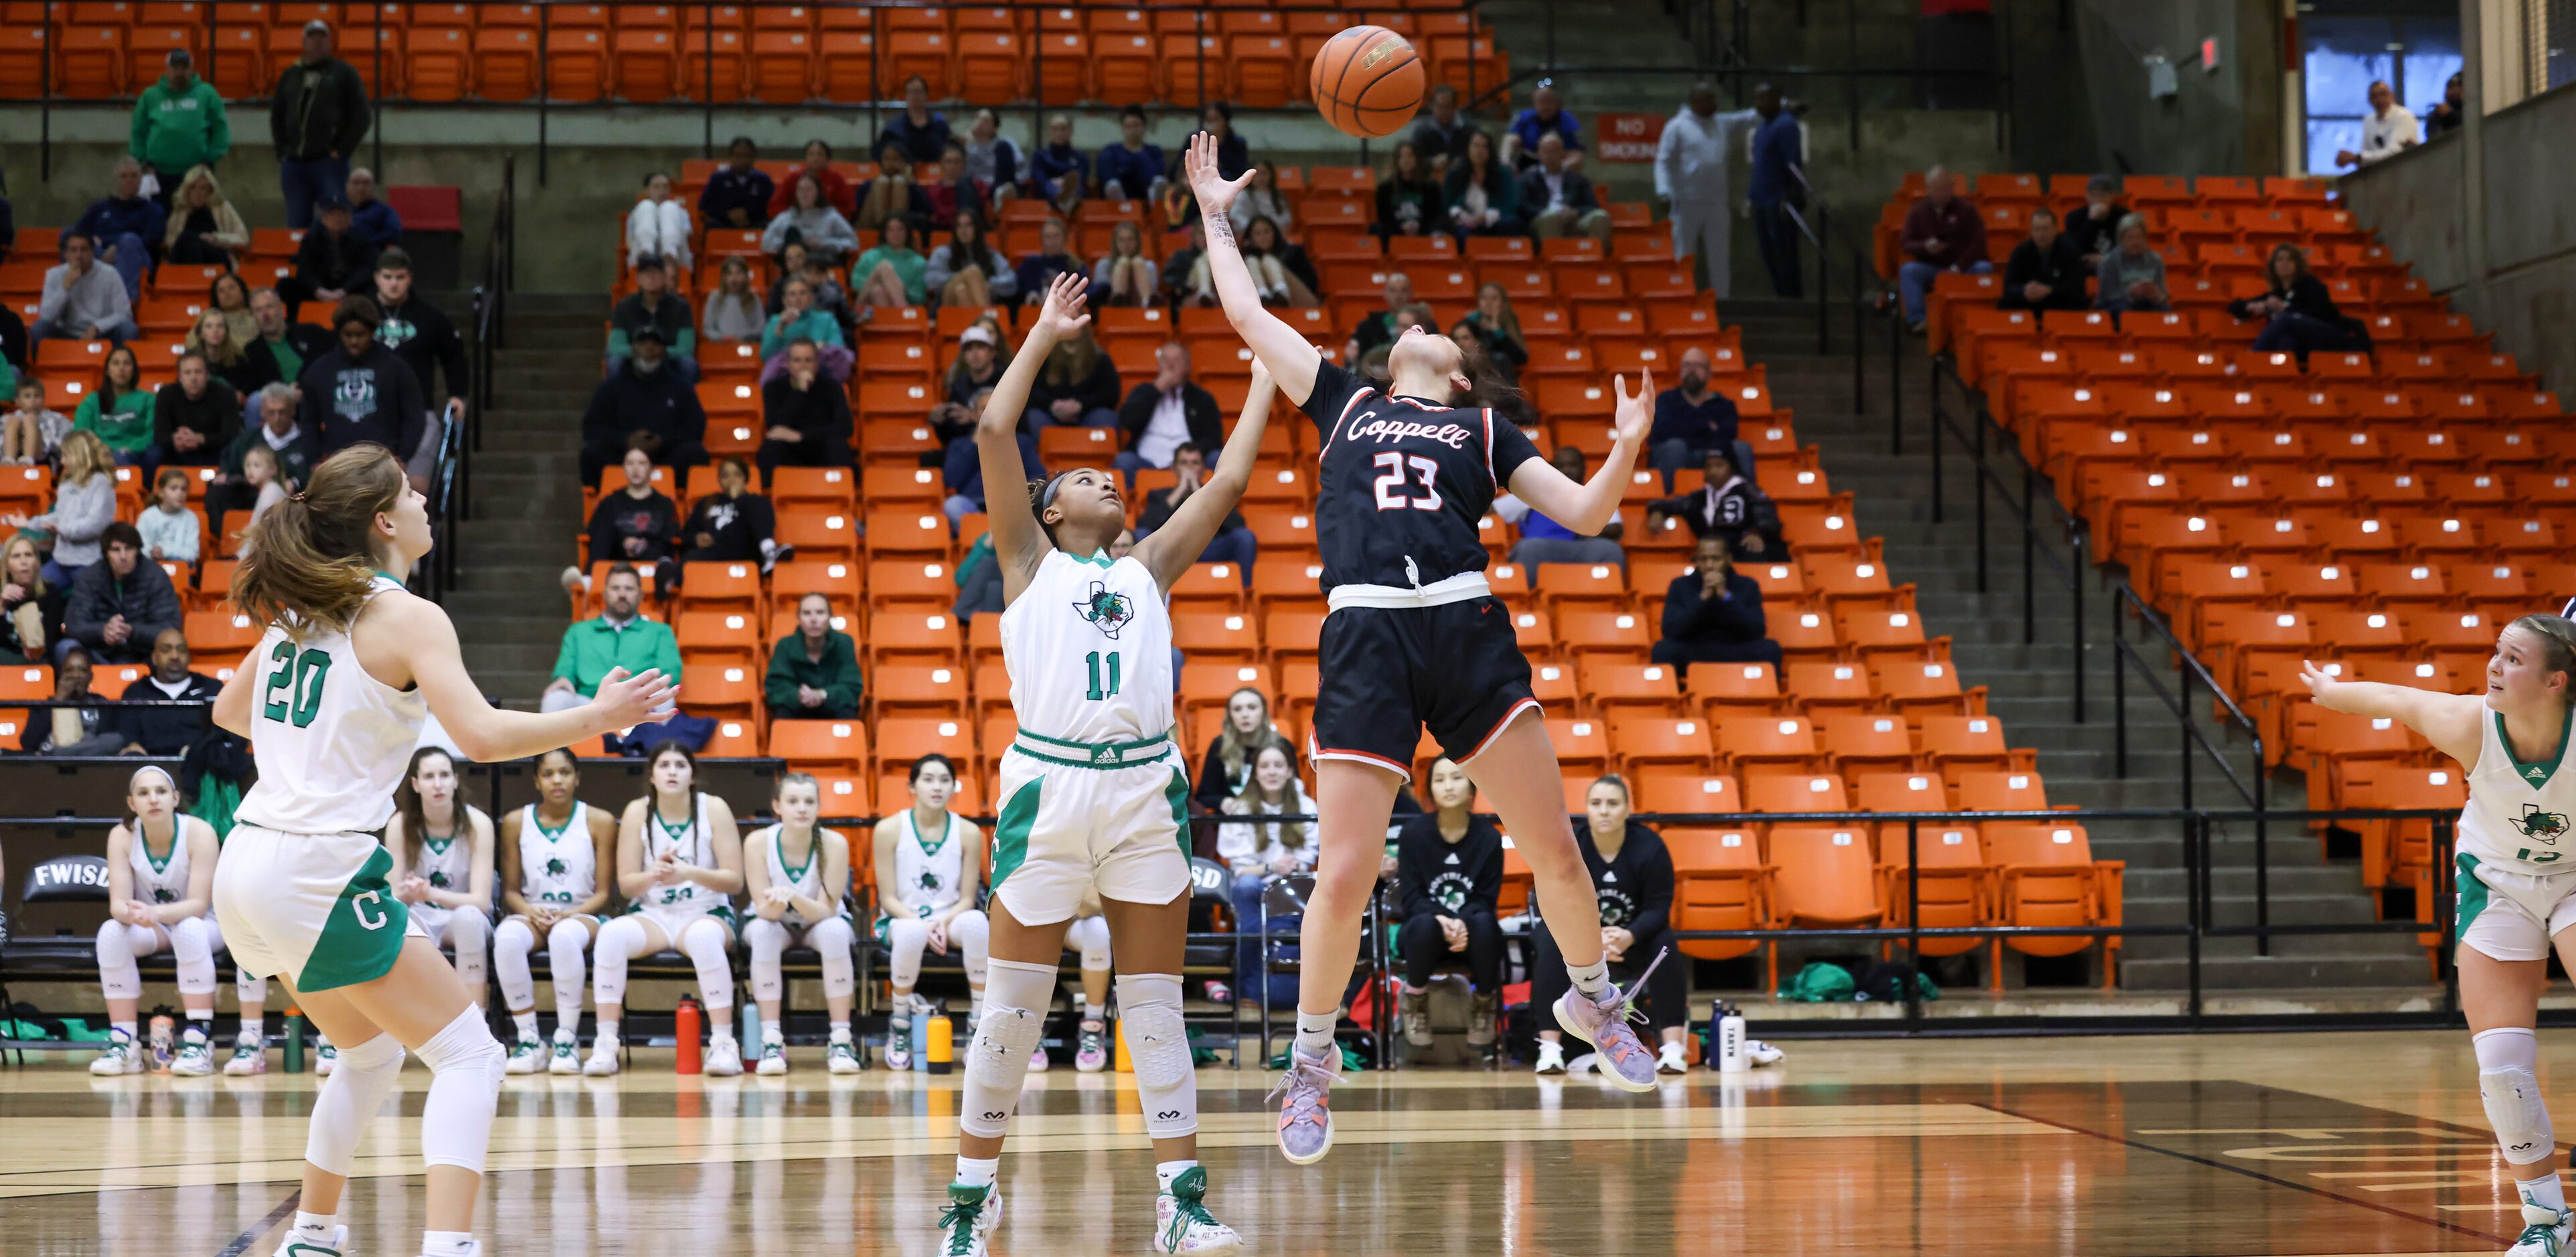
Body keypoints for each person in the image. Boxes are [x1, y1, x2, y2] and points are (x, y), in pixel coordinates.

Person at [1188, 133, 1670, 1159]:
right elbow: (1242, 311)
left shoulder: (1489, 430)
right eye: (1414, 326)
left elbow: (1584, 513)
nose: (1425, 327)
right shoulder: (1342, 400)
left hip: (1463, 621)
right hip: (1364, 626)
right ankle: (1311, 1066)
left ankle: (1594, 1004)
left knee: (1555, 850)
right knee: (1348, 870)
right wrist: (1214, 211)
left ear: (1457, 376)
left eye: (1445, 333)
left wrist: (1626, 447)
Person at [209, 442, 671, 1257]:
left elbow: (229, 713)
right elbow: (483, 737)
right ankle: (448, 1249)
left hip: (247, 862)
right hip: (316, 864)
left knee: (370, 1050)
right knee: (470, 1054)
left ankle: (313, 1236)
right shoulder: (408, 616)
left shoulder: (304, 607)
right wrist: (597, 720)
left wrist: (322, 741)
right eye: (412, 492)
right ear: (385, 520)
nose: (425, 500)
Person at [934, 272, 1261, 1255]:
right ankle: (971, 1192)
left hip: (1144, 788)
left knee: (1156, 1011)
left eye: (1110, 476)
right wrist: (1038, 333)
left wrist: (1259, 385)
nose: (1105, 479)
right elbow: (996, 432)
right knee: (1009, 1018)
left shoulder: (1149, 562)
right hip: (1050, 784)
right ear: (1049, 506)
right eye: (1081, 478)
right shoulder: (1028, 562)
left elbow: (1232, 484)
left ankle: (1180, 1203)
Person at [2298, 616, 2576, 1256]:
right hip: (2496, 884)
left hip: (2574, 880)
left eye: (2512, 659)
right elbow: (2399, 700)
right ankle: (2549, 1223)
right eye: (2495, 654)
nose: (2494, 667)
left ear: (2555, 681)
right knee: (2503, 1069)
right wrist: (2333, 692)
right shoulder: (2470, 724)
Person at [88, 766, 271, 1077]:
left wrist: (154, 913)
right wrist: (131, 914)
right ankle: (125, 1042)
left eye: (160, 792)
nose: (153, 799)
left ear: (175, 798)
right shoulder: (121, 835)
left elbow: (198, 906)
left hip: (208, 925)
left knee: (188, 930)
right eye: (143, 794)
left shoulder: (199, 831)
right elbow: (117, 905)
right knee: (110, 933)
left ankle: (199, 1041)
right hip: (154, 926)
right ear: (132, 804)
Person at [582, 742, 747, 1076]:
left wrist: (688, 873)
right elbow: (627, 885)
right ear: (652, 776)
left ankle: (723, 1044)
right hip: (654, 915)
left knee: (703, 938)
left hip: (705, 911)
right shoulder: (636, 811)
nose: (672, 771)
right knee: (612, 934)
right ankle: (605, 1044)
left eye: (680, 765)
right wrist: (654, 875)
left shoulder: (713, 808)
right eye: (665, 765)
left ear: (693, 776)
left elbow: (735, 881)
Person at [1529, 776, 1688, 1076]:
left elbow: (1659, 907)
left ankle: (1673, 1049)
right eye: (1596, 804)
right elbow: (1550, 899)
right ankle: (1550, 1050)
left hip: (1633, 941)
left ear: (1628, 809)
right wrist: (1592, 940)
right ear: (1587, 809)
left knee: (1665, 942)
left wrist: (1630, 935)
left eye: (1613, 804)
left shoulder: (1651, 847)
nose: (1604, 811)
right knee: (1547, 940)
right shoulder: (1573, 846)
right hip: (1582, 945)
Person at [493, 747, 617, 1073]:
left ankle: (567, 1038)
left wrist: (568, 915)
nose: (557, 780)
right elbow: (510, 891)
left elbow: (604, 892)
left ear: (577, 778)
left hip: (581, 914)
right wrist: (531, 911)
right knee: (505, 938)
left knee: (563, 937)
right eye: (548, 774)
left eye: (564, 772)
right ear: (536, 781)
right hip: (533, 912)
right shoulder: (517, 821)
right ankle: (530, 1039)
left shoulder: (600, 821)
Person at [872, 752, 989, 1072]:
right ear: (912, 786)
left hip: (951, 918)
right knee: (910, 933)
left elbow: (968, 898)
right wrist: (922, 925)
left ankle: (979, 1025)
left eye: (944, 780)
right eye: (928, 779)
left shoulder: (967, 832)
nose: (937, 787)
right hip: (902, 917)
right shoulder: (888, 829)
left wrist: (942, 922)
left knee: (978, 922)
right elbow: (888, 897)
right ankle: (899, 1023)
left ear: (954, 787)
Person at [742, 772, 860, 1075]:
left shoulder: (834, 843)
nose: (802, 808)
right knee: (762, 932)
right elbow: (763, 911)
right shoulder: (758, 841)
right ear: (777, 806)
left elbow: (826, 911)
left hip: (819, 924)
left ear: (819, 807)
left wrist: (792, 896)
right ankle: (771, 1041)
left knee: (835, 932)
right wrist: (777, 905)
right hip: (775, 923)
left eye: (809, 801)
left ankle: (841, 1039)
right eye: (793, 801)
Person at [1392, 757, 1504, 1052]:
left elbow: (1486, 898)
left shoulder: (1490, 838)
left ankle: (1483, 1005)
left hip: (1472, 934)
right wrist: (1443, 920)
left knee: (1485, 923)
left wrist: (1462, 923)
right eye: (1440, 780)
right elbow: (1412, 898)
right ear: (1430, 790)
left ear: (1471, 788)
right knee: (1426, 925)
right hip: (1423, 932)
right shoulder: (1413, 834)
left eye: (1456, 778)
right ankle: (1415, 1000)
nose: (1449, 786)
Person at [385, 747, 495, 1013]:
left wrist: (430, 893)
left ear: (456, 780)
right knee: (396, 923)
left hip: (461, 918)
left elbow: (481, 901)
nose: (438, 784)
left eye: (445, 775)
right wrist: (410, 894)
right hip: (421, 916)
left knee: (469, 918)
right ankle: (413, 1021)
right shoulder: (399, 824)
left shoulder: (478, 823)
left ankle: (476, 1019)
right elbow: (390, 899)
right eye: (429, 776)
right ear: (415, 784)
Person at [1218, 743, 1316, 1007]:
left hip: (1292, 888)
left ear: (1288, 772)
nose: (1271, 772)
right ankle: (1249, 991)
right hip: (1255, 888)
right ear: (1255, 773)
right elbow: (1239, 869)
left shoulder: (1306, 805)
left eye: (1278, 765)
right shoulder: (1241, 808)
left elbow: (1309, 858)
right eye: (1265, 766)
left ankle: (1305, 993)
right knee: (1247, 886)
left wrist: (1291, 869)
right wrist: (1273, 868)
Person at [299, 299, 430, 485]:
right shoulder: (320, 370)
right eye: (348, 335)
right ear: (339, 333)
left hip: (383, 462)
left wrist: (404, 456)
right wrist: (313, 460)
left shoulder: (396, 368)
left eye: (360, 335)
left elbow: (415, 416)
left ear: (372, 332)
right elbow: (308, 420)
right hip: (337, 462)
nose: (353, 341)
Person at [1655, 82, 1763, 297]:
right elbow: (1663, 162)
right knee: (1684, 254)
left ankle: (1722, 299)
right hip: (1686, 201)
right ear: (1695, 101)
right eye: (1709, 99)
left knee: (1720, 255)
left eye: (1715, 99)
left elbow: (1749, 117)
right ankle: (1682, 296)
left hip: (1716, 202)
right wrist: (1664, 191)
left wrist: (1785, 105)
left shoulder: (1721, 123)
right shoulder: (1677, 126)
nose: (1715, 103)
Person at [268, 19, 370, 229]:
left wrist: (342, 149)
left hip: (328, 162)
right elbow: (277, 115)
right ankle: (300, 261)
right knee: (296, 223)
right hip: (294, 163)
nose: (317, 42)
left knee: (335, 219)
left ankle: (335, 261)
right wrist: (282, 151)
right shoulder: (291, 75)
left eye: (322, 37)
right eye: (312, 37)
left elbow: (362, 116)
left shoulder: (344, 73)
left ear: (330, 42)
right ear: (304, 42)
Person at [542, 562, 680, 714]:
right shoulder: (578, 631)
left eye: (629, 589)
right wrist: (563, 679)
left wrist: (646, 688)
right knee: (556, 697)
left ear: (640, 595)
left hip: (638, 702)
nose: (622, 594)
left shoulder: (660, 631)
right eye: (615, 588)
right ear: (605, 594)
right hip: (589, 703)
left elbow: (671, 672)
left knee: (664, 696)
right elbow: (565, 670)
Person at [580, 325, 708, 485]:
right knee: (592, 453)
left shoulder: (681, 387)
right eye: (643, 344)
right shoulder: (611, 387)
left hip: (666, 454)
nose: (649, 349)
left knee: (695, 453)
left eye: (655, 344)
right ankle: (601, 504)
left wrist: (662, 441)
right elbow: (592, 427)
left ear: (663, 351)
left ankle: (684, 504)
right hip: (622, 454)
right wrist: (626, 441)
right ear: (633, 350)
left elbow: (696, 427)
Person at [3, 430, 115, 588]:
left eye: (66, 455)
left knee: (85, 603)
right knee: (34, 589)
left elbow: (95, 524)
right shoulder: (67, 484)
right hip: (61, 561)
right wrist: (29, 523)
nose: (62, 461)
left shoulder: (101, 483)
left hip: (90, 562)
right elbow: (58, 516)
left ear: (80, 455)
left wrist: (62, 529)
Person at [1653, 533, 1780, 667]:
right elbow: (1670, 631)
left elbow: (1757, 631)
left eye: (1716, 559)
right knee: (1663, 650)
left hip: (1735, 649)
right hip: (1694, 649)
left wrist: (1726, 596)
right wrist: (1702, 599)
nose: (1709, 565)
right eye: (1703, 559)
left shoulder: (1748, 585)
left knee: (1770, 649)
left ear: (1729, 559)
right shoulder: (1680, 585)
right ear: (1696, 560)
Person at [68, 522, 184, 666]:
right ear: (106, 554)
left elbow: (169, 627)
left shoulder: (155, 576)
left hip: (143, 654)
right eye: (116, 550)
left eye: (129, 549)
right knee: (65, 648)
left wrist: (131, 631)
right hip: (99, 652)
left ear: (137, 551)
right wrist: (103, 631)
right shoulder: (89, 578)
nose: (123, 556)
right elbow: (75, 624)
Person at [2228, 243, 2368, 359]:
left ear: (2298, 264)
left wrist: (2284, 310)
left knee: (2287, 320)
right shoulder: (2276, 294)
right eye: (2280, 260)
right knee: (2286, 341)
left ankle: (2252, 359)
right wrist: (2251, 306)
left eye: (2290, 260)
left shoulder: (2311, 284)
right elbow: (2234, 307)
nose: (2284, 264)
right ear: (2273, 266)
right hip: (2304, 346)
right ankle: (2282, 382)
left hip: (2330, 338)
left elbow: (2320, 313)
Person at [212, 382, 318, 535]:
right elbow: (229, 463)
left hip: (294, 500)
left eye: (282, 412)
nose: (277, 418)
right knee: (217, 492)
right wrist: (225, 474)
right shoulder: (248, 439)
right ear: (262, 412)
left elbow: (316, 474)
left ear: (293, 410)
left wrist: (295, 483)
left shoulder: (308, 441)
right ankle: (222, 540)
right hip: (249, 494)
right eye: (271, 412)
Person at [1895, 165, 1990, 332]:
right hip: (1931, 266)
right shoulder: (1917, 211)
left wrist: (1959, 266)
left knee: (1984, 268)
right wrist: (1925, 247)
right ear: (1929, 189)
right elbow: (1906, 244)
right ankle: (1918, 320)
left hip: (1962, 266)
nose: (1942, 193)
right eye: (1937, 189)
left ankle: (1980, 317)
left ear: (1951, 188)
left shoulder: (1967, 210)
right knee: (1909, 270)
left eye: (1945, 188)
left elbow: (1979, 243)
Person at [1135, 442, 1255, 574]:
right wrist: (1179, 491)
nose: (1189, 468)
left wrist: (1200, 493)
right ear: (1175, 469)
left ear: (1203, 470)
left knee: (1245, 537)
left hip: (1210, 548)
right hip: (1172, 550)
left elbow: (1238, 525)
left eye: (1195, 463)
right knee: (1141, 535)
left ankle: (1245, 592)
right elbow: (1145, 525)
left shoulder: (1218, 494)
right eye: (1184, 463)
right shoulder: (1159, 495)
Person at [130, 50, 231, 203]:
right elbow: (138, 131)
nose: (180, 72)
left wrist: (210, 159)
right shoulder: (150, 96)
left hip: (197, 172)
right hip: (157, 173)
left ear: (192, 70)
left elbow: (220, 129)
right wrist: (143, 162)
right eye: (175, 68)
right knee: (158, 217)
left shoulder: (207, 94)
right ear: (167, 70)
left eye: (184, 68)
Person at [1645, 347, 1751, 487]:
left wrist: (1685, 427)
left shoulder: (1723, 404)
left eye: (1698, 366)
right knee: (1675, 447)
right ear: (1681, 372)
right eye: (1687, 365)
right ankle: (1665, 504)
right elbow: (1662, 431)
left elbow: (1729, 434)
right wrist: (1707, 427)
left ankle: (1749, 501)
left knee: (1741, 448)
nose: (1691, 370)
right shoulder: (1666, 400)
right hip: (1679, 455)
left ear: (1709, 374)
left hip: (1713, 455)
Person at [1502, 448, 1625, 567]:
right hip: (1543, 548)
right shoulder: (1534, 491)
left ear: (1584, 468)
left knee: (1611, 550)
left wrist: (1585, 529)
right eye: (1561, 466)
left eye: (1573, 465)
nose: (1567, 470)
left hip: (1582, 548)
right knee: (1529, 548)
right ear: (1553, 469)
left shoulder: (1598, 493)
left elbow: (1616, 528)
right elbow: (1491, 510)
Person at [1645, 446, 1778, 556]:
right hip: (1711, 555)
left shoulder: (1748, 490)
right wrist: (1657, 511)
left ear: (1731, 468)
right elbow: (1673, 504)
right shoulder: (1700, 496)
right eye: (1708, 467)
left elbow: (1767, 517)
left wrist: (1756, 534)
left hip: (1742, 548)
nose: (1713, 471)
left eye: (1719, 466)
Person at [110, 626, 220, 755]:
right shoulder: (136, 692)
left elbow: (223, 735)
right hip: (149, 766)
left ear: (189, 657)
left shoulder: (211, 688)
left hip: (201, 764)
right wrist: (132, 746)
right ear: (155, 658)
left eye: (181, 650)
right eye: (166, 650)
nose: (175, 656)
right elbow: (127, 735)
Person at [939, 387, 1040, 526]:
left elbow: (1038, 477)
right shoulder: (959, 445)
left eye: (996, 408)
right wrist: (975, 444)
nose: (990, 414)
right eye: (984, 409)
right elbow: (952, 481)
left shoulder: (1023, 442)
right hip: (973, 505)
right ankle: (985, 543)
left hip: (1010, 508)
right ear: (974, 414)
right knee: (952, 505)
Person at [72, 158, 167, 303]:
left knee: (129, 241)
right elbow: (76, 233)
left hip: (134, 256)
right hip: (99, 255)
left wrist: (117, 248)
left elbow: (154, 238)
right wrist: (92, 243)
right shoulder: (100, 208)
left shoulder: (153, 210)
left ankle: (123, 305)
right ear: (116, 180)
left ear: (141, 179)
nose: (129, 180)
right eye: (124, 176)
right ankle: (73, 300)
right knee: (69, 237)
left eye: (134, 176)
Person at [1116, 343, 1219, 473]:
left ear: (1188, 366)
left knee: (1218, 458)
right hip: (1146, 463)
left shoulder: (1202, 398)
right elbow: (1127, 421)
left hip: (1189, 465)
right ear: (1159, 365)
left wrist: (1193, 452)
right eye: (1166, 360)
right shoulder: (1143, 391)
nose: (1171, 366)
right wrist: (1155, 390)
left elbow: (1214, 438)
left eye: (1177, 360)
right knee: (1124, 460)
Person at [756, 338, 854, 475]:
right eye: (797, 360)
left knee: (838, 446)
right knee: (771, 447)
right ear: (788, 364)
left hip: (821, 447)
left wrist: (801, 436)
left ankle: (841, 491)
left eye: (808, 360)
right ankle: (769, 493)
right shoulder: (773, 388)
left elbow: (845, 427)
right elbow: (774, 425)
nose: (803, 366)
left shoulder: (832, 387)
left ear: (817, 363)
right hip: (790, 450)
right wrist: (800, 392)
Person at [1746, 84, 1804, 299]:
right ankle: (1782, 295)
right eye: (1757, 99)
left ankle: (1792, 299)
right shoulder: (1763, 128)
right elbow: (1760, 165)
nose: (1760, 104)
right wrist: (1751, 196)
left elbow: (1793, 163)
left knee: (1785, 255)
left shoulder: (1786, 125)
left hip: (1779, 200)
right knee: (1769, 254)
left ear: (1777, 99)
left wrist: (1789, 195)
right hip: (1761, 199)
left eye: (1765, 98)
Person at [677, 454, 785, 572]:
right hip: (713, 553)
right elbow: (687, 533)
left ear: (745, 479)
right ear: (719, 480)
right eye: (725, 476)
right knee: (688, 560)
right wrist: (696, 539)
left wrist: (738, 499)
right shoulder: (707, 502)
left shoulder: (756, 502)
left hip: (744, 554)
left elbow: (759, 527)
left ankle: (769, 551)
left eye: (737, 475)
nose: (731, 480)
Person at [767, 591, 862, 720]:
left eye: (820, 613)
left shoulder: (844, 643)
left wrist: (823, 694)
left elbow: (851, 687)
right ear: (799, 618)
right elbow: (777, 686)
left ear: (830, 617)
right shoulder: (785, 645)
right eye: (806, 613)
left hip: (833, 707)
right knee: (783, 714)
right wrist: (799, 695)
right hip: (798, 708)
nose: (813, 619)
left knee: (847, 713)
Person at [1196, 687, 1293, 812]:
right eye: (1237, 709)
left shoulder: (1282, 746)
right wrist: (1223, 802)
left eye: (1252, 708)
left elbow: (1294, 792)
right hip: (1232, 824)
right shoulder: (1219, 746)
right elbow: (1204, 797)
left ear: (1264, 712)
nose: (1245, 715)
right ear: (1230, 715)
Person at [33, 233, 139, 346]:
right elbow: (46, 316)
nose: (79, 255)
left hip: (102, 333)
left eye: (84, 249)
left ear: (92, 252)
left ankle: (120, 362)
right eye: (73, 250)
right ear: (66, 254)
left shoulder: (110, 274)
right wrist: (65, 288)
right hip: (67, 334)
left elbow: (124, 314)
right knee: (39, 328)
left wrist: (97, 327)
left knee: (129, 329)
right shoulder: (54, 274)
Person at [605, 254, 696, 383]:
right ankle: (616, 402)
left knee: (688, 364)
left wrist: (658, 352)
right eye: (645, 272)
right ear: (638, 279)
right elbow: (615, 346)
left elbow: (685, 349)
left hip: (667, 360)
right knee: (615, 363)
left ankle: (684, 401)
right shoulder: (624, 306)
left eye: (656, 272)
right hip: (634, 360)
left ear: (665, 277)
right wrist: (640, 351)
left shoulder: (681, 307)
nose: (651, 276)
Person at [586, 447, 680, 570]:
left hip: (651, 562)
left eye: (642, 463)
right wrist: (624, 543)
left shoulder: (664, 504)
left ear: (652, 469)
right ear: (624, 468)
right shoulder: (610, 502)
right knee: (604, 530)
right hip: (615, 562)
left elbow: (669, 540)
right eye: (630, 463)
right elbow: (594, 534)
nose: (636, 469)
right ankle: (590, 579)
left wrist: (641, 545)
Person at [280, 195, 375, 309]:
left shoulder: (361, 238)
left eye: (342, 214)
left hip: (351, 289)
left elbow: (366, 268)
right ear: (323, 218)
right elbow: (304, 269)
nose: (337, 218)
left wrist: (345, 290)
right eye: (332, 214)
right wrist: (318, 290)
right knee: (286, 285)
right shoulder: (311, 239)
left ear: (350, 218)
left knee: (375, 288)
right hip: (320, 289)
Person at [21, 645, 120, 753]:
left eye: (82, 670)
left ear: (90, 676)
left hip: (89, 763)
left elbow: (112, 739)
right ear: (61, 676)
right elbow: (28, 743)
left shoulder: (101, 703)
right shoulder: (44, 707)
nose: (76, 675)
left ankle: (66, 754)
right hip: (53, 766)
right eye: (69, 671)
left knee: (115, 740)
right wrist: (58, 701)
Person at [155, 351, 240, 471]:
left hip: (213, 451)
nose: (193, 378)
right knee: (154, 453)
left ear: (207, 375)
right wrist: (177, 439)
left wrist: (200, 439)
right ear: (180, 378)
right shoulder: (166, 394)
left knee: (232, 450)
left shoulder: (225, 394)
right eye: (187, 373)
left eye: (198, 372)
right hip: (178, 451)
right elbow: (159, 435)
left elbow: (231, 435)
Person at [1520, 133, 1611, 246]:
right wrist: (1553, 213)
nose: (1551, 156)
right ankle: (1554, 261)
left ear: (1563, 153)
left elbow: (1592, 205)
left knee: (1600, 216)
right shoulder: (1528, 179)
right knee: (1550, 218)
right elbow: (1523, 207)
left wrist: (1575, 212)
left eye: (1555, 152)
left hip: (1574, 219)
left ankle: (1597, 260)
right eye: (1546, 152)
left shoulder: (1579, 179)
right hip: (1542, 219)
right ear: (1539, 154)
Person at [1027, 322, 1121, 430]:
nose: (1070, 326)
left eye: (1075, 320)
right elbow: (1031, 391)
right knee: (1032, 418)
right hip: (1049, 414)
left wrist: (1080, 405)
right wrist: (1052, 405)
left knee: (1105, 418)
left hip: (1089, 414)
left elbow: (1110, 395)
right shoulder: (1044, 358)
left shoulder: (1100, 359)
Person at [72, 344, 156, 465]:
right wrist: (100, 449)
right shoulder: (93, 400)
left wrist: (130, 448)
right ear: (108, 370)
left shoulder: (148, 399)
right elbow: (81, 431)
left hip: (133, 455)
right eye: (116, 363)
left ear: (134, 370)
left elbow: (152, 433)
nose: (121, 368)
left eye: (127, 364)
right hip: (98, 455)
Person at [246, 286, 333, 399]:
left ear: (282, 310)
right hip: (279, 405)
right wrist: (286, 394)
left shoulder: (312, 332)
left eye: (269, 307)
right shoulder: (252, 351)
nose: (265, 315)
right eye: (258, 310)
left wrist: (304, 390)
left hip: (320, 395)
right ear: (253, 316)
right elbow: (257, 388)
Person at [2000, 206, 2089, 313]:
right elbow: (2009, 286)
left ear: (2055, 229)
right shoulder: (2020, 252)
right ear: (2031, 231)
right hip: (2029, 302)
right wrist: (2024, 290)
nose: (2041, 234)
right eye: (2037, 229)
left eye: (2046, 229)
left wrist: (2049, 290)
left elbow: (2077, 287)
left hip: (2060, 303)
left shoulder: (2070, 252)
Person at [762, 172, 858, 269]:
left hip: (822, 265)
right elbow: (766, 242)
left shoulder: (831, 217)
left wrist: (823, 244)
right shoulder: (786, 217)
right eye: (800, 189)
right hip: (792, 269)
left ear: (818, 192)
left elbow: (853, 243)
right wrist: (791, 246)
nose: (804, 194)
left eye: (808, 189)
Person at [163, 165, 250, 268]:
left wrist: (216, 238)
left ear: (210, 190)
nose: (197, 193)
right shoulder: (181, 210)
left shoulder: (222, 207)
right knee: (188, 239)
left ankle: (197, 276)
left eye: (202, 188)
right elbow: (170, 240)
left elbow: (243, 238)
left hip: (216, 257)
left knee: (190, 239)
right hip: (186, 258)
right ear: (187, 190)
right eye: (193, 188)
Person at [925, 212, 1016, 310]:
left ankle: (975, 322)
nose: (963, 230)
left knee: (962, 291)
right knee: (972, 272)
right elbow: (931, 280)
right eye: (959, 226)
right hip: (947, 299)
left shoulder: (990, 255)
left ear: (977, 229)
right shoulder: (943, 253)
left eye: (968, 225)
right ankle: (987, 318)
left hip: (971, 298)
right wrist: (964, 277)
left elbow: (1010, 279)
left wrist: (989, 284)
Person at [1442, 131, 1522, 241]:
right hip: (1465, 223)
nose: (1479, 151)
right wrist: (1460, 215)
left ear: (1491, 151)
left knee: (1513, 225)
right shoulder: (1455, 174)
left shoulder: (1504, 174)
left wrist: (1487, 216)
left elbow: (1511, 205)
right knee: (1459, 233)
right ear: (1468, 148)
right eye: (1475, 146)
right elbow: (1447, 204)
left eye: (1484, 147)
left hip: (1495, 223)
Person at [759, 278, 849, 376]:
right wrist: (780, 328)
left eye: (803, 293)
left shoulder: (826, 319)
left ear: (811, 298)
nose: (798, 298)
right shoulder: (776, 321)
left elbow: (838, 348)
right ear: (785, 300)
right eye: (792, 294)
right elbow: (766, 356)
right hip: (786, 375)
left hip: (822, 373)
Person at [2, 533, 67, 661]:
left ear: (37, 562)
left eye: (28, 555)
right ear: (7, 566)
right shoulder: (1, 594)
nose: (24, 562)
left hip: (42, 657)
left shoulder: (51, 592)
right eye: (16, 556)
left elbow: (52, 638)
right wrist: (1, 605)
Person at [2095, 214, 2169, 318]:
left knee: (2165, 310)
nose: (2135, 242)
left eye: (2139, 237)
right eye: (2130, 238)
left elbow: (2163, 292)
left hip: (2147, 303)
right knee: (2125, 311)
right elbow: (2107, 295)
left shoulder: (2155, 260)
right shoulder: (2109, 261)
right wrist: (2130, 293)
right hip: (2117, 304)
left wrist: (2156, 294)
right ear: (2121, 240)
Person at [1452, 284, 1529, 383]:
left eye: (1494, 298)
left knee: (1501, 359)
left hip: (1501, 375)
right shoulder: (1469, 323)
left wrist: (1496, 329)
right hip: (1473, 370)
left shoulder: (1509, 321)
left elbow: (1520, 359)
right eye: (1484, 298)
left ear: (1502, 303)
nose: (1489, 303)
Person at [855, 142, 935, 236]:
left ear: (906, 164)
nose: (891, 164)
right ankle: (885, 231)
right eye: (886, 159)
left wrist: (910, 183)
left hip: (906, 230)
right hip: (870, 226)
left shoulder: (913, 186)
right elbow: (858, 210)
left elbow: (927, 211)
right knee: (882, 182)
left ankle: (891, 231)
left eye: (896, 159)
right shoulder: (869, 185)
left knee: (899, 181)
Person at [851, 214, 929, 309]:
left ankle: (893, 320)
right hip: (866, 306)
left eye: (900, 230)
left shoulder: (919, 262)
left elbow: (920, 297)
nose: (895, 234)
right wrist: (887, 284)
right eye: (890, 230)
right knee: (884, 267)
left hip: (896, 302)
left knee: (879, 292)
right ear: (885, 233)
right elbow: (856, 283)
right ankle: (902, 311)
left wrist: (902, 290)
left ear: (907, 233)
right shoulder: (869, 256)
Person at [1239, 217, 1319, 308]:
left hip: (1302, 298)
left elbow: (1312, 282)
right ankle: (1263, 295)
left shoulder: (1294, 252)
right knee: (1251, 261)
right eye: (1258, 234)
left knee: (1268, 260)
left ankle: (1282, 292)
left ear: (1275, 233)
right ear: (1251, 239)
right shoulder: (1246, 258)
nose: (1263, 237)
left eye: (1267, 232)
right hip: (1261, 300)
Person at [698, 136, 775, 232]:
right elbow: (705, 206)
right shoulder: (718, 179)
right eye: (738, 156)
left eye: (747, 156)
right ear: (730, 157)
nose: (742, 161)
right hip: (724, 224)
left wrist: (748, 214)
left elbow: (771, 207)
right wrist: (727, 214)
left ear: (754, 157)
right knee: (712, 225)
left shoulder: (763, 180)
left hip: (754, 224)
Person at [2338, 79, 2420, 167]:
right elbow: (2365, 154)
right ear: (2369, 100)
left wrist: (2357, 158)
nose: (2380, 100)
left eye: (2383, 94)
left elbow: (2395, 152)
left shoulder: (2404, 117)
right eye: (2374, 96)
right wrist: (2354, 159)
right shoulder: (2368, 121)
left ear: (2392, 96)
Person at [625, 171, 694, 276]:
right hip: (641, 263)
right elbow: (630, 241)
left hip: (677, 263)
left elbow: (686, 236)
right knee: (646, 206)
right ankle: (648, 258)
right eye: (656, 187)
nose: (662, 191)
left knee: (669, 207)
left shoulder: (681, 212)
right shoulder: (638, 212)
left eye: (665, 187)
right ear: (647, 191)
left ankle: (669, 259)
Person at [1402, 84, 1480, 175]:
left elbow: (1479, 155)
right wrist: (1431, 162)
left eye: (1448, 107)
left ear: (1456, 107)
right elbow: (1414, 159)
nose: (1444, 112)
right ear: (1432, 106)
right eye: (1440, 107)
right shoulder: (1422, 131)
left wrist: (1460, 162)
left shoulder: (1470, 128)